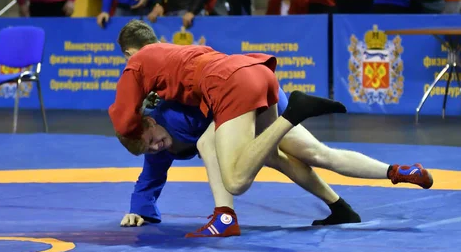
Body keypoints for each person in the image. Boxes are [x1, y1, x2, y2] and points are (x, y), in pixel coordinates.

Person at [120, 90, 434, 238]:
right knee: (317, 154)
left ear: (149, 121)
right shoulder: (157, 142)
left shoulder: (173, 112)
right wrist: (139, 208)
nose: (157, 147)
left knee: (224, 150)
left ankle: (224, 216)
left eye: (153, 140)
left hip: (241, 106)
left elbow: (219, 112)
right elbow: (150, 175)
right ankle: (392, 172)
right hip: (259, 95)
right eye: (151, 148)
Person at [109, 20, 347, 200]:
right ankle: (375, 178)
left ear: (129, 54)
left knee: (233, 178)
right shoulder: (171, 52)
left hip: (229, 91)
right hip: (252, 74)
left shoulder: (138, 65)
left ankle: (225, 216)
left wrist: (131, 128)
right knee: (311, 153)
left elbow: (124, 119)